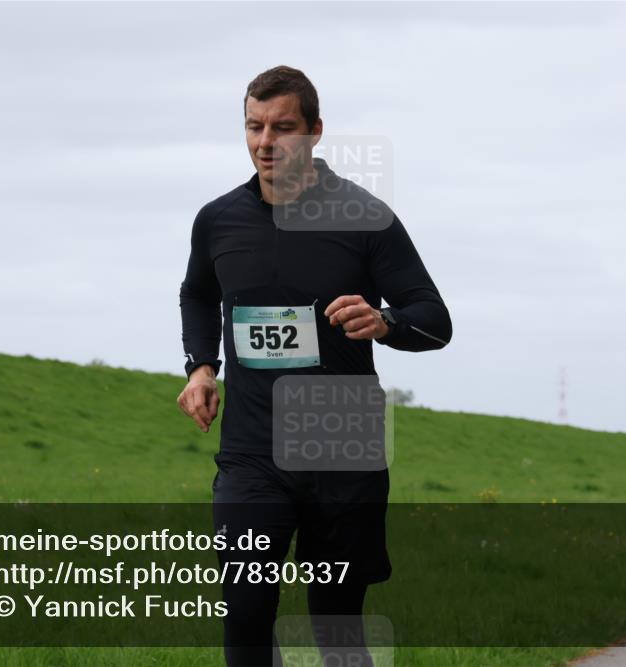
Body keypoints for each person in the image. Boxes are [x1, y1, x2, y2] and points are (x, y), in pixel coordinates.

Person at [177, 65, 452, 667]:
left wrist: (385, 321)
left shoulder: (365, 218)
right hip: (252, 451)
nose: (265, 142)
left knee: (336, 624)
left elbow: (435, 320)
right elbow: (198, 292)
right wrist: (201, 367)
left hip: (340, 451)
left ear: (315, 131)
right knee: (246, 608)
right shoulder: (218, 220)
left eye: (282, 127)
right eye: (254, 126)